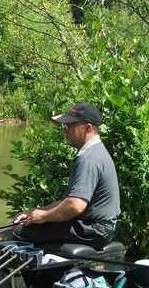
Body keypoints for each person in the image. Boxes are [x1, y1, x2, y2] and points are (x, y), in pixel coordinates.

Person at [12, 102, 120, 249]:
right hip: (98, 228)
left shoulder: (89, 158)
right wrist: (35, 212)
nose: (65, 129)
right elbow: (68, 201)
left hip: (94, 230)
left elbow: (75, 206)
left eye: (70, 125)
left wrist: (43, 217)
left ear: (88, 128)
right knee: (28, 225)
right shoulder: (97, 151)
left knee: (20, 231)